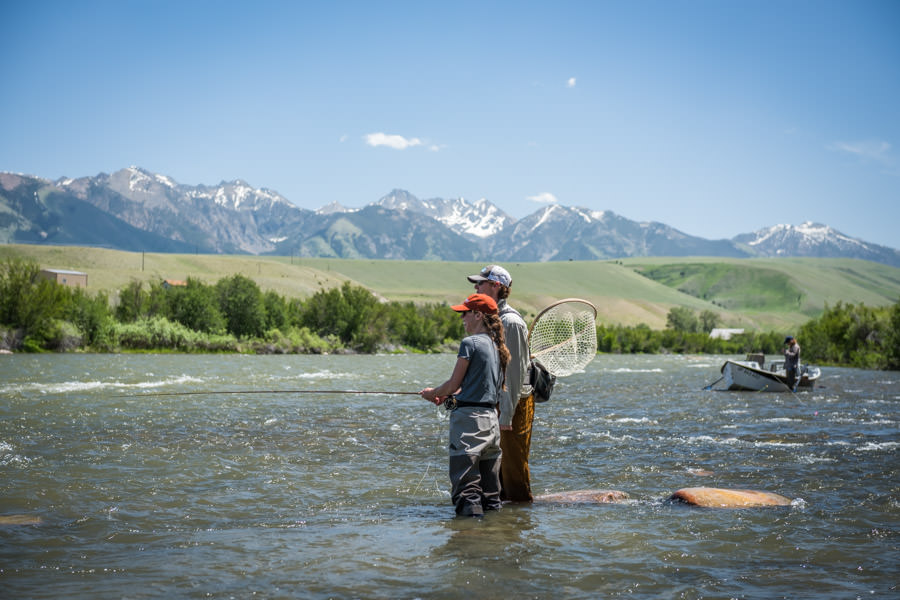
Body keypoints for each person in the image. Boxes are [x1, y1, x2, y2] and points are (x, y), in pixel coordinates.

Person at [420, 293, 510, 517]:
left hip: (469, 424)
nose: (463, 319)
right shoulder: (498, 346)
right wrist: (449, 396)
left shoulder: (470, 343)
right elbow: (477, 387)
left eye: (465, 314)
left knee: (466, 488)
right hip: (491, 422)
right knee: (491, 493)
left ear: (478, 315)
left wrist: (433, 393)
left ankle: (468, 541)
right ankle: (494, 536)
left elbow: (452, 384)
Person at [466, 265, 534, 502]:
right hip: (495, 403)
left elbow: (513, 375)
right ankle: (502, 522)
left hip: (514, 404)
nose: (476, 287)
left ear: (496, 286)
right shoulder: (491, 319)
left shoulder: (512, 323)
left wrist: (505, 414)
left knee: (513, 470)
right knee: (496, 468)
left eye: (481, 283)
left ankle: (519, 520)